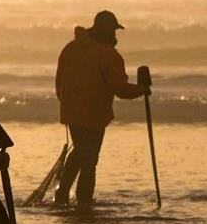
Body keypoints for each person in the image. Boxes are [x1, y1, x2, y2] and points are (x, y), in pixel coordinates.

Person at [54, 11, 149, 206]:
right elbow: (120, 88)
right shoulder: (107, 54)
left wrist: (66, 101)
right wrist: (141, 90)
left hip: (71, 109)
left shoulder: (71, 48)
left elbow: (59, 81)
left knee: (80, 151)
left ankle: (62, 195)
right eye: (113, 30)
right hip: (94, 112)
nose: (115, 36)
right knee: (89, 159)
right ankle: (83, 201)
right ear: (106, 30)